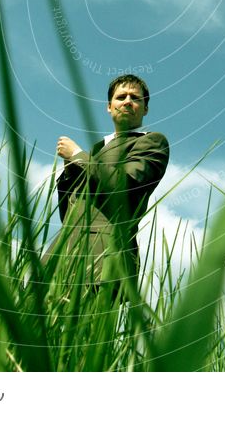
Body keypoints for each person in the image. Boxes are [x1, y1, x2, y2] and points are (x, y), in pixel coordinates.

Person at [48, 74, 169, 292]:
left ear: (145, 109)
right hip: (61, 254)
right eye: (121, 96)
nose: (128, 101)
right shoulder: (96, 149)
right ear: (109, 106)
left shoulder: (151, 141)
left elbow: (126, 185)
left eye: (136, 98)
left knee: (90, 324)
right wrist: (69, 170)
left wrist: (77, 155)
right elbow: (70, 209)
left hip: (103, 255)